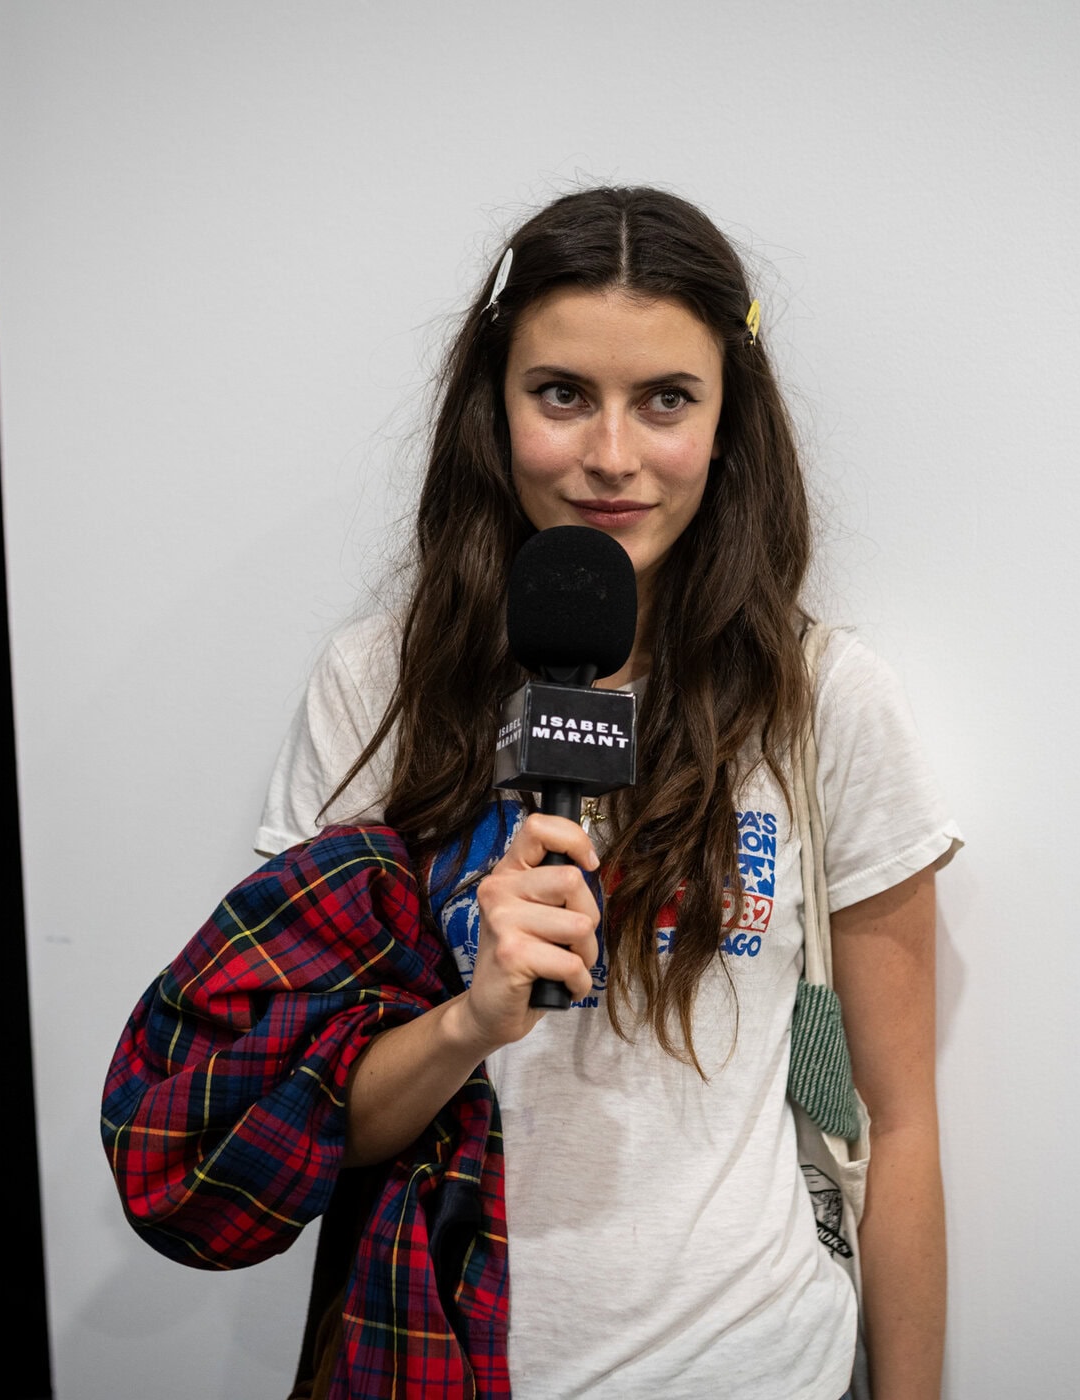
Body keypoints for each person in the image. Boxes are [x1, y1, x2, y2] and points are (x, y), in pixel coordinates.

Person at [254, 186, 963, 1399]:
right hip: (443, 1363)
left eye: (666, 400)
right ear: (496, 404)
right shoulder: (374, 686)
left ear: (728, 421)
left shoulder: (824, 700)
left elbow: (893, 1125)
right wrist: (470, 1021)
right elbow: (316, 1118)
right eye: (563, 393)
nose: (613, 456)